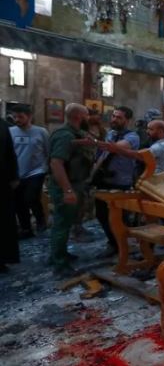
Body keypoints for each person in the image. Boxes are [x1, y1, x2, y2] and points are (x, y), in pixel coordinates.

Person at [48, 104, 93, 276]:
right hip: (66, 185)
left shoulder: (75, 134)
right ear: (78, 117)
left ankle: (59, 254)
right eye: (86, 116)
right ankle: (60, 264)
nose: (88, 119)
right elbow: (56, 163)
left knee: (65, 223)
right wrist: (67, 190)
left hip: (74, 183)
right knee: (62, 224)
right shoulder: (65, 135)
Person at [93, 106, 140, 257]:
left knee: (120, 217)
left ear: (127, 120)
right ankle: (113, 242)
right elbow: (103, 154)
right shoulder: (110, 134)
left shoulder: (133, 136)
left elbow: (114, 148)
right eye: (113, 116)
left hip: (121, 181)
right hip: (104, 179)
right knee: (101, 214)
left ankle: (123, 246)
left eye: (119, 117)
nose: (114, 119)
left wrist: (93, 141)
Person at [10, 104, 49, 237]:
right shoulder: (10, 132)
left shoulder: (41, 132)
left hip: (36, 170)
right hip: (17, 172)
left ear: (29, 116)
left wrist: (47, 168)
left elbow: (48, 151)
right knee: (18, 201)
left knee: (31, 197)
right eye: (15, 117)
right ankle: (26, 228)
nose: (17, 120)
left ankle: (40, 221)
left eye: (20, 117)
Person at [92, 120, 164, 174]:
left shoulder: (160, 146)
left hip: (158, 184)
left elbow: (139, 156)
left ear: (160, 131)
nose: (147, 132)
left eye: (151, 129)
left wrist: (117, 149)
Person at [0, 117, 19, 273]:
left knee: (3, 221)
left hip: (2, 181)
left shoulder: (3, 125)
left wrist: (14, 176)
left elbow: (9, 152)